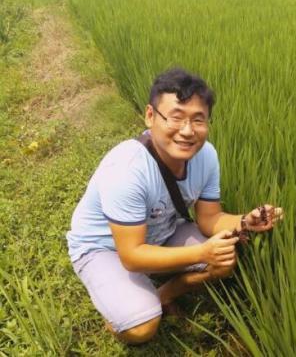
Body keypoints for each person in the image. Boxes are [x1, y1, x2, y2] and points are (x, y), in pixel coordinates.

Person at [66, 68, 283, 345]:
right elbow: (131, 257)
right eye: (176, 117)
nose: (187, 131)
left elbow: (210, 219)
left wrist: (245, 221)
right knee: (141, 327)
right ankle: (129, 308)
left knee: (224, 262)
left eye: (198, 120)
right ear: (150, 116)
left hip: (161, 232)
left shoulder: (206, 156)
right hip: (104, 248)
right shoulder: (126, 170)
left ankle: (164, 294)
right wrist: (202, 251)